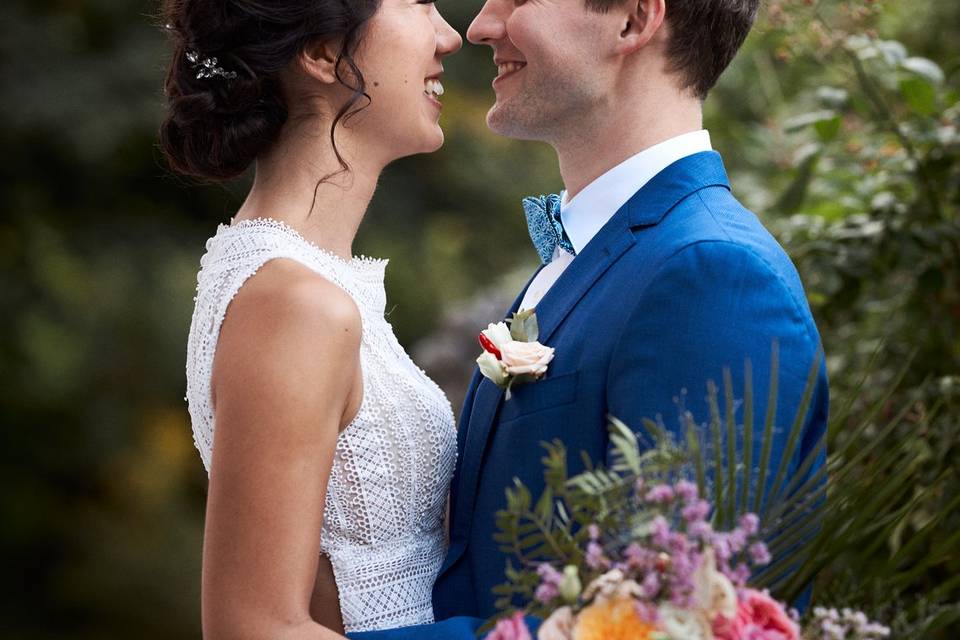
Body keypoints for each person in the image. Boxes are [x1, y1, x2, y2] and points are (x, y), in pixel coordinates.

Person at [352, 0, 828, 638]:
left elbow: (676, 617)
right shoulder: (592, 255)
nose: (480, 27)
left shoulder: (716, 276)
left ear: (632, 20)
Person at [162, 0, 466, 637]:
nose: (449, 36)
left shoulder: (312, 283)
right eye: (418, 4)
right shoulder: (295, 304)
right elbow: (252, 626)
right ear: (324, 54)